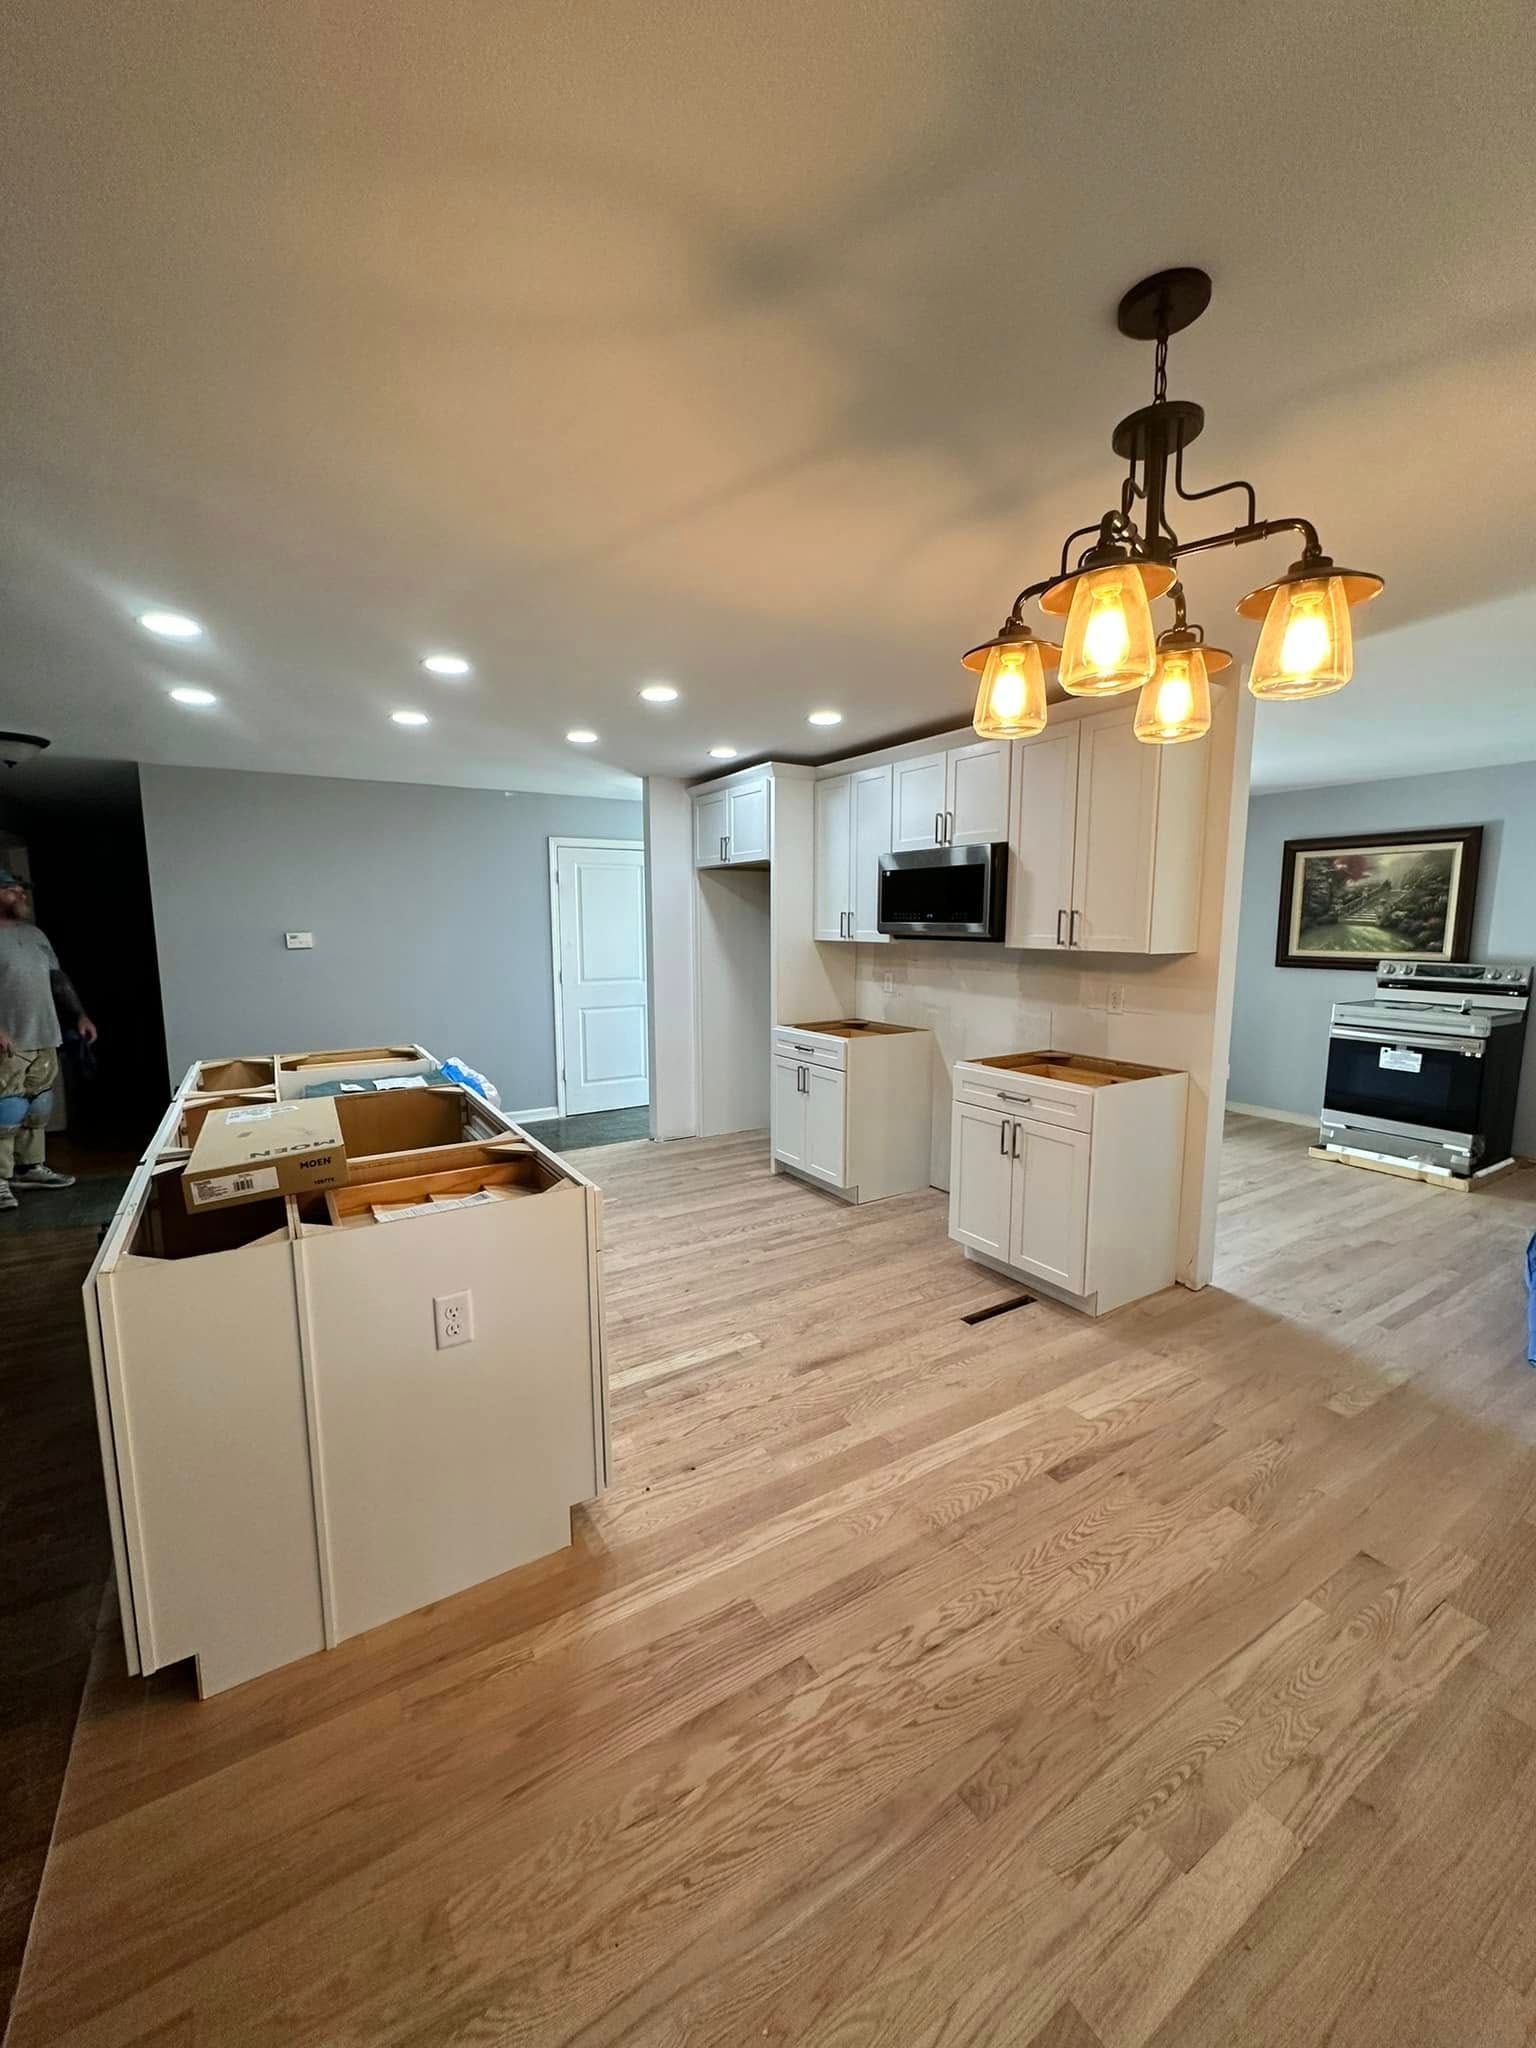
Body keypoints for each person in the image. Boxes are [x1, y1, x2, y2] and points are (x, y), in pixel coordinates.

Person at [0, 867, 97, 1211]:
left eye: (22, 890)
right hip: (9, 1039)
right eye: (12, 889)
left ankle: (30, 1168)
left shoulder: (35, 934)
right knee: (6, 1109)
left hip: (44, 1032)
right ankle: (0, 1180)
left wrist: (80, 1014)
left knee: (38, 1104)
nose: (21, 895)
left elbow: (57, 979)